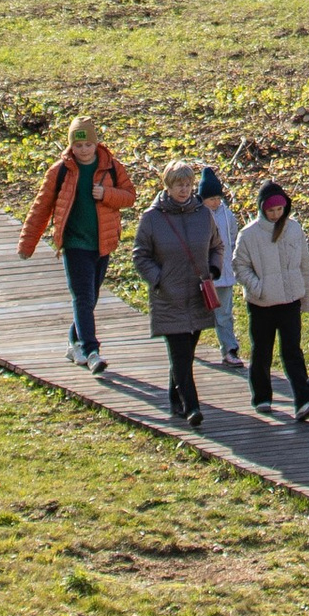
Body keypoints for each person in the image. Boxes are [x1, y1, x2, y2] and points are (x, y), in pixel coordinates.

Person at [17, 118, 136, 371]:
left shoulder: (111, 168)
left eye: (88, 144)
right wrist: (28, 244)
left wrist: (106, 194)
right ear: (71, 145)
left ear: (96, 144)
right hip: (74, 244)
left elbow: (130, 197)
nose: (83, 150)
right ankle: (92, 352)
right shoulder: (61, 171)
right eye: (78, 144)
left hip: (102, 243)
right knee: (82, 297)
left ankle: (74, 343)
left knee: (89, 298)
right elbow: (41, 208)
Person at [131, 161, 219, 426]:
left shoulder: (203, 215)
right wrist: (158, 280)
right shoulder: (152, 218)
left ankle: (174, 399)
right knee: (180, 353)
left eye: (188, 184)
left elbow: (217, 245)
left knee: (186, 353)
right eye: (178, 184)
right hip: (168, 296)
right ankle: (192, 406)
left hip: (198, 294)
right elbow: (140, 255)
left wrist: (213, 269)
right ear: (167, 186)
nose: (184, 189)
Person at [233, 179, 309, 417]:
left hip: (290, 301)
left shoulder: (294, 229)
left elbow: (305, 265)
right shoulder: (248, 234)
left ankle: (304, 398)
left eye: (279, 209)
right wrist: (258, 287)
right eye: (270, 210)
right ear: (262, 208)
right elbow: (239, 266)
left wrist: (306, 299)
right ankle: (261, 397)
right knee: (262, 351)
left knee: (293, 351)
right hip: (261, 304)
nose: (275, 214)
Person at [198, 163, 244, 371]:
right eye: (211, 199)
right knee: (197, 312)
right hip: (203, 275)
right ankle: (187, 347)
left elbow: (233, 240)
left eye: (218, 198)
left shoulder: (228, 216)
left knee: (224, 313)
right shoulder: (196, 215)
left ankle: (229, 349)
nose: (215, 202)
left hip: (224, 274)